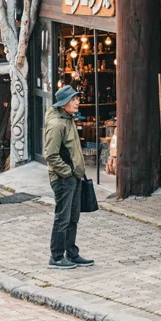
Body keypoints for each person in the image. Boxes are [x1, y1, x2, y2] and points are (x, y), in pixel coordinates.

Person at [43, 85, 93, 269]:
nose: (77, 102)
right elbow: (51, 155)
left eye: (76, 98)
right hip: (64, 179)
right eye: (73, 99)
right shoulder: (57, 124)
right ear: (64, 103)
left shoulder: (68, 118)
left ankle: (71, 254)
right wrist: (68, 173)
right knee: (62, 218)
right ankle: (56, 257)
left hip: (73, 177)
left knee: (73, 217)